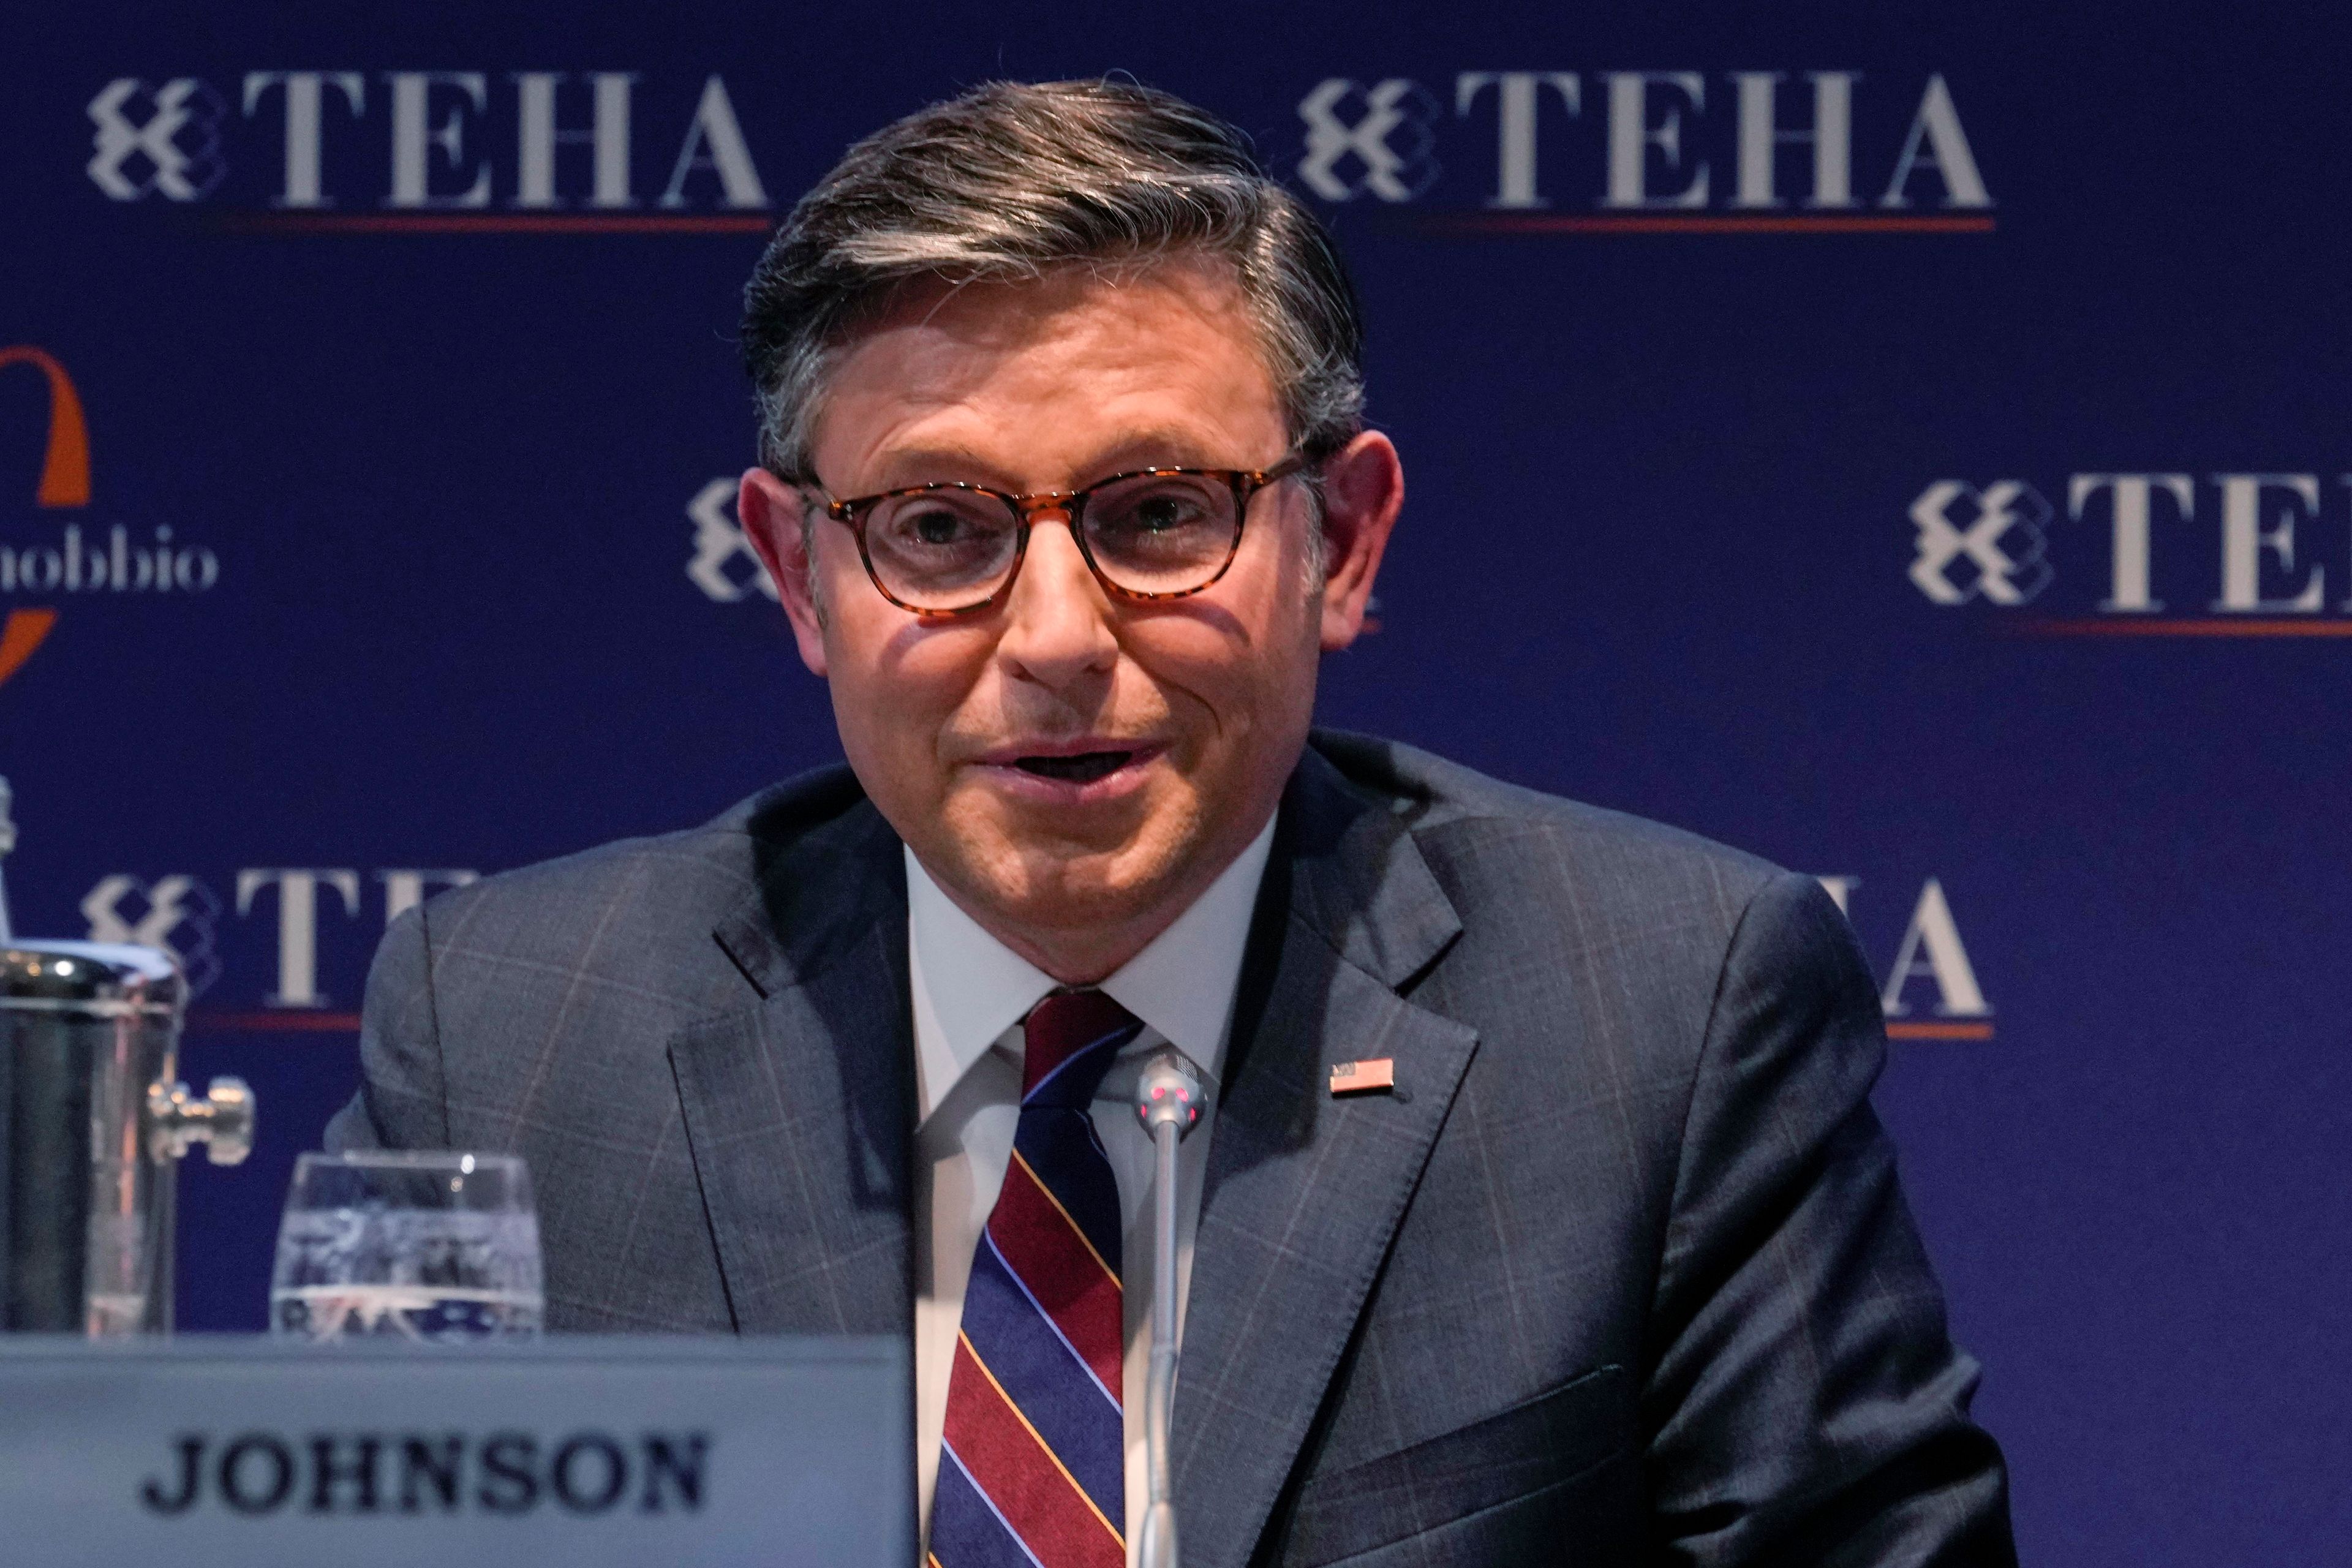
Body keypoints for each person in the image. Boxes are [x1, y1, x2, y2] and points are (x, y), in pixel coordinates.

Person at [328, 78, 2014, 1568]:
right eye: (936, 526)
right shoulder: (513, 1037)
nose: (1057, 635)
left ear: (1340, 543)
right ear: (796, 574)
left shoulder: (1662, 1021)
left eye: (1156, 513)